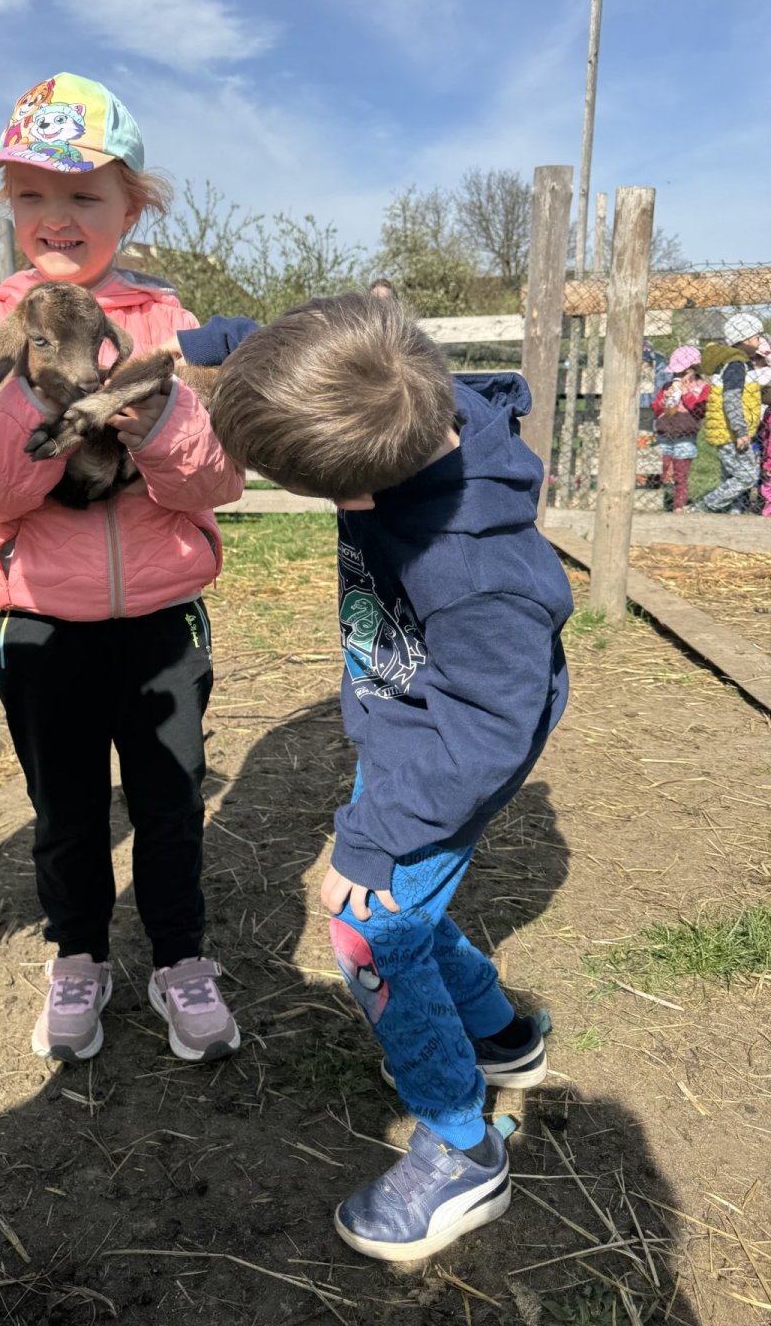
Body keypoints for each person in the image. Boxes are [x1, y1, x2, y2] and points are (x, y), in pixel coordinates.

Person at [176, 293, 573, 1262]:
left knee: (368, 928)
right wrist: (205, 347)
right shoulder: (400, 387)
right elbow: (313, 346)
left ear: (355, 495)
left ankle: (460, 1144)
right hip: (413, 732)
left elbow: (490, 725)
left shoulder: (475, 571)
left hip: (446, 755)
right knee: (403, 913)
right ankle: (501, 1036)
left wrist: (373, 837)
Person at [0, 73, 244, 1066]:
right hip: (42, 625)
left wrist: (159, 416)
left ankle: (181, 960)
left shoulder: (172, 328)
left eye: (82, 194)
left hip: (162, 621)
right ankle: (78, 957)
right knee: (66, 814)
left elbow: (218, 480)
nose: (55, 216)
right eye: (31, 194)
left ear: (131, 206)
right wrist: (36, 390)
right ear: (8, 206)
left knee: (169, 806)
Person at [690, 337, 762, 513]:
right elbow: (731, 399)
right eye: (756, 337)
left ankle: (733, 512)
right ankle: (704, 506)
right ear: (744, 339)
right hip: (731, 431)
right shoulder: (736, 364)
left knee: (731, 475)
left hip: (729, 429)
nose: (759, 340)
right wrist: (741, 431)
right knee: (747, 476)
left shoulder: (734, 362)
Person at [721, 313, 771, 515]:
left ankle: (758, 501)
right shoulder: (740, 367)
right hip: (747, 424)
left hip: (763, 425)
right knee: (743, 466)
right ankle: (738, 504)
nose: (757, 361)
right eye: (755, 357)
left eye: (760, 358)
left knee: (761, 466)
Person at [652, 346, 708, 512]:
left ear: (694, 370)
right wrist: (663, 401)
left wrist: (687, 395)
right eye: (676, 373)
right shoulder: (667, 386)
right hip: (664, 434)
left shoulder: (702, 387)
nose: (678, 376)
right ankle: (654, 500)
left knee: (680, 474)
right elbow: (656, 409)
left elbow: (700, 412)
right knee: (659, 469)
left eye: (683, 372)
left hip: (685, 437)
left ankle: (679, 505)